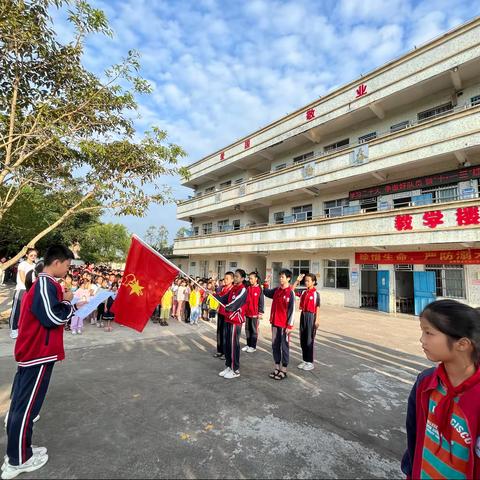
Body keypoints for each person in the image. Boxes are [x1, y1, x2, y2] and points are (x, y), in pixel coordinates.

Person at [2, 245, 78, 479]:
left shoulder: (45, 283)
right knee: (25, 409)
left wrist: (64, 300)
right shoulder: (45, 284)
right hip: (37, 353)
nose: (67, 270)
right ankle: (18, 460)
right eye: (67, 265)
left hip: (36, 353)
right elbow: (53, 316)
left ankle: (21, 450)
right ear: (57, 263)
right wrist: (68, 302)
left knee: (24, 406)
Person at [402, 300, 480, 479]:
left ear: (462, 344)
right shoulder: (426, 383)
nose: (422, 339)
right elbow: (414, 439)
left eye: (428, 333)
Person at [215, 269, 248, 379]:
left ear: (242, 278)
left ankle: (235, 369)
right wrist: (214, 295)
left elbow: (236, 303)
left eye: (237, 277)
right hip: (228, 318)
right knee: (228, 344)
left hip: (235, 320)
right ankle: (228, 366)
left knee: (234, 345)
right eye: (235, 276)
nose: (236, 278)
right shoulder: (233, 288)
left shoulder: (243, 290)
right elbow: (224, 299)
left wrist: (228, 307)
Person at [263, 270, 296, 381]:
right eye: (280, 277)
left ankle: (284, 370)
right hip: (275, 323)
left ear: (288, 278)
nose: (280, 279)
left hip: (284, 326)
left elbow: (292, 310)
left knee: (284, 347)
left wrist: (289, 326)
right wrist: (266, 283)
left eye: (282, 277)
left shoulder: (290, 292)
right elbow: (266, 292)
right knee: (275, 346)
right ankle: (277, 368)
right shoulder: (277, 290)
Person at [292, 273, 321, 371]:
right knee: (303, 338)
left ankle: (310, 362)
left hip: (311, 316)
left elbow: (317, 307)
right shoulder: (304, 292)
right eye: (305, 280)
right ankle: (305, 360)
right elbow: (292, 289)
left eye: (308, 280)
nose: (306, 282)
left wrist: (317, 320)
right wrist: (297, 280)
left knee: (309, 340)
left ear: (313, 282)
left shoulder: (316, 294)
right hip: (303, 315)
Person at [8, 249, 37, 339]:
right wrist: (29, 287)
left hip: (31, 291)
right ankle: (13, 329)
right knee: (16, 310)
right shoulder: (22, 264)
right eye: (31, 255)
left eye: (35, 255)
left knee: (27, 311)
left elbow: (36, 278)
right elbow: (22, 277)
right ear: (27, 255)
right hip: (22, 290)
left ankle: (23, 328)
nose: (33, 257)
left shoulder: (35, 266)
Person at [212, 272, 234, 360]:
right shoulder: (223, 288)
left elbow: (222, 298)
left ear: (232, 280)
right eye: (225, 278)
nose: (225, 280)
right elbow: (216, 292)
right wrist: (213, 281)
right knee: (219, 332)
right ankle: (220, 351)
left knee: (226, 334)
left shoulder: (232, 289)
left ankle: (226, 352)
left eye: (227, 278)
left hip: (227, 314)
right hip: (221, 312)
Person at [243, 272, 264, 353]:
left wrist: (260, 312)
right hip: (247, 312)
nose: (250, 280)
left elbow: (261, 301)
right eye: (249, 278)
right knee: (247, 329)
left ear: (256, 279)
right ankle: (248, 345)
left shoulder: (259, 289)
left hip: (255, 314)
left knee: (254, 330)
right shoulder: (248, 288)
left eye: (251, 278)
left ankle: (253, 346)